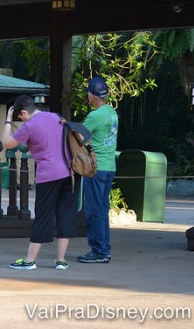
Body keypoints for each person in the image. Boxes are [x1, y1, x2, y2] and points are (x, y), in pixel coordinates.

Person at [2, 94, 77, 270]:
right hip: (69, 172)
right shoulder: (55, 117)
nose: (20, 121)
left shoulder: (29, 126)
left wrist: (7, 121)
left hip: (48, 175)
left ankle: (30, 260)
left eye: (19, 118)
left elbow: (6, 143)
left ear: (23, 113)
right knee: (64, 215)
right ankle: (61, 260)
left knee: (43, 217)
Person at [78, 77, 118, 264]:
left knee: (93, 210)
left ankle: (99, 251)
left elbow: (80, 136)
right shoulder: (112, 113)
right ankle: (104, 249)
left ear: (92, 96)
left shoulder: (95, 115)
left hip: (95, 168)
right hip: (109, 166)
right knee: (102, 209)